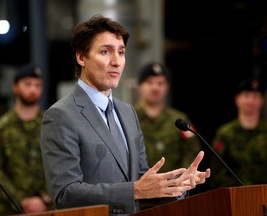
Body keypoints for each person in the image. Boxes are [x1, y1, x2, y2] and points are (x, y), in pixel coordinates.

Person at [40, 14, 211, 215]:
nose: (116, 61)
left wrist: (177, 186)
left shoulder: (127, 113)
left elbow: (141, 182)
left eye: (121, 53)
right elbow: (66, 194)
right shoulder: (61, 115)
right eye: (105, 52)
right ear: (81, 57)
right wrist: (134, 190)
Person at [0, 64, 53, 215]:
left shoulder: (51, 125)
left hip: (47, 208)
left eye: (38, 85)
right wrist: (20, 199)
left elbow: (62, 163)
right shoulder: (1, 128)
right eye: (27, 84)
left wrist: (46, 198)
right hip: (11, 208)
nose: (33, 90)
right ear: (15, 87)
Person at [134, 62, 202, 209]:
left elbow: (192, 153)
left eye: (160, 83)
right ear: (140, 86)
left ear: (167, 87)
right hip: (138, 199)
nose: (155, 87)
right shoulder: (127, 118)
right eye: (150, 82)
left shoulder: (179, 120)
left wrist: (177, 183)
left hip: (174, 198)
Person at [210, 77, 267, 188]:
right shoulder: (225, 133)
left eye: (255, 97)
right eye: (246, 95)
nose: (251, 101)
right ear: (237, 99)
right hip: (235, 195)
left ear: (262, 101)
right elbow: (216, 170)